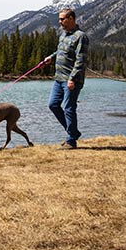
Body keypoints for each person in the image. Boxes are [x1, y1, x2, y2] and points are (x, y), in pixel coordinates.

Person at [43, 8, 89, 150]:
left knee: (69, 108)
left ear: (71, 19)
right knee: (53, 105)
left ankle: (71, 141)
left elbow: (81, 60)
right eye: (59, 19)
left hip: (72, 80)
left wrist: (72, 79)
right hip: (59, 78)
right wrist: (51, 57)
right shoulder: (63, 35)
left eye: (62, 19)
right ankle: (73, 132)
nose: (60, 22)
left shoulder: (81, 36)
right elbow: (60, 50)